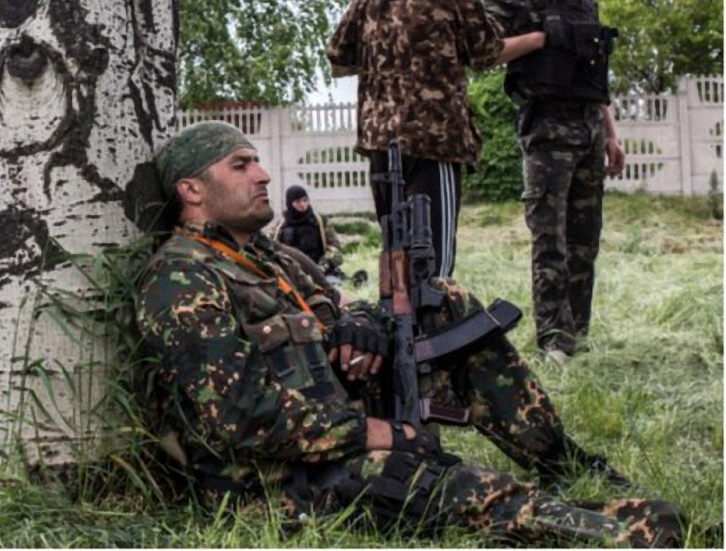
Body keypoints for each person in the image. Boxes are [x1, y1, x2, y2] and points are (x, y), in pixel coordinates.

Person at [134, 121, 683, 547]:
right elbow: (241, 416)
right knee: (444, 486)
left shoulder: (270, 255)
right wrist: (381, 433)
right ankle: (629, 531)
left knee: (445, 304)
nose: (264, 175)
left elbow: (337, 307)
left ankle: (562, 462)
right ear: (192, 188)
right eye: (241, 165)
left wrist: (362, 327)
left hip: (338, 420)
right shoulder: (182, 277)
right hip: (277, 478)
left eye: (257, 161)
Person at [327, 0, 546, 279]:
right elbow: (486, 51)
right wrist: (537, 39)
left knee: (395, 257)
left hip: (380, 141)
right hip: (435, 139)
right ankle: (433, 328)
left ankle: (399, 331)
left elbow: (337, 52)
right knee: (433, 263)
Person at [484, 0, 624, 362]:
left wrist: (611, 133)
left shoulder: (585, 1)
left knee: (586, 238)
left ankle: (577, 333)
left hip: (587, 126)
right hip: (546, 127)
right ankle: (553, 340)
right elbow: (484, 50)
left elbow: (595, 75)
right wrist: (544, 36)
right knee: (551, 239)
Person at [273, 185, 345, 274]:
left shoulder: (319, 221)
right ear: (290, 203)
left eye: (305, 200)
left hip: (319, 270)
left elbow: (335, 248)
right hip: (291, 272)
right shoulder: (281, 225)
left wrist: (323, 265)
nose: (302, 204)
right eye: (298, 201)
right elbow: (272, 247)